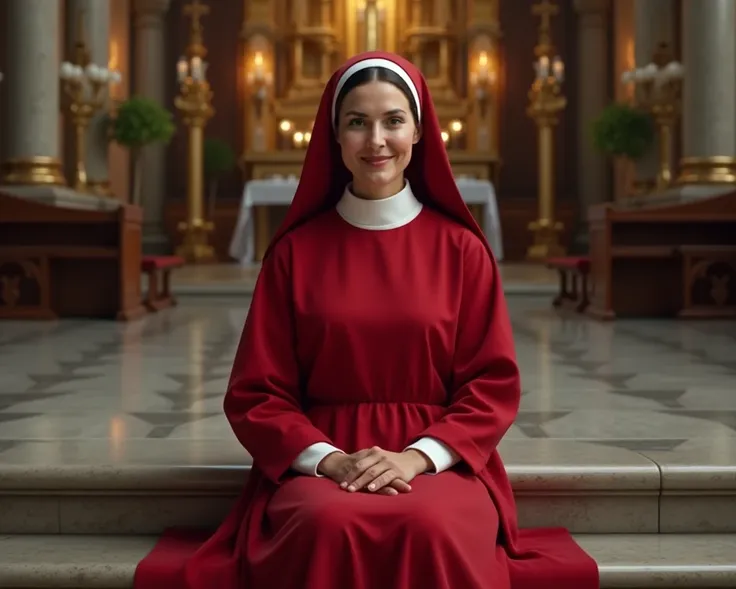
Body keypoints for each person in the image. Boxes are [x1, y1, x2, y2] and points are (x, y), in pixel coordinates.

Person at [133, 51, 599, 589]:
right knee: (324, 522)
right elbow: (256, 393)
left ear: (420, 131)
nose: (376, 140)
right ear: (335, 137)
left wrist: (416, 459)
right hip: (324, 457)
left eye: (393, 121)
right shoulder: (294, 253)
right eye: (357, 122)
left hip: (437, 458)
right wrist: (329, 460)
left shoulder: (463, 251)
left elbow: (491, 386)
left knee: (431, 524)